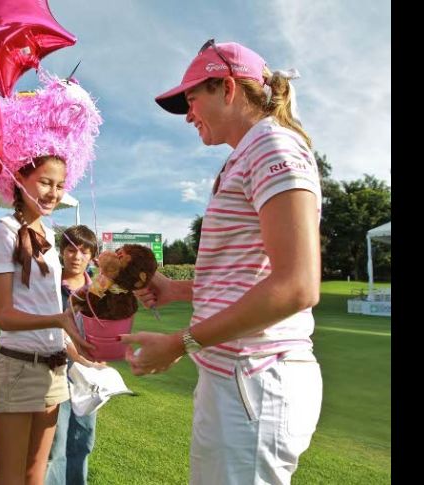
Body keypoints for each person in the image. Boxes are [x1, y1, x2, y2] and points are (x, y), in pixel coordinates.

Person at [121, 39, 323, 484]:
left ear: (228, 88)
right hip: (234, 378)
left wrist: (180, 342)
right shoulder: (247, 155)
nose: (189, 114)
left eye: (192, 99)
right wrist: (176, 290)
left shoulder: (273, 146)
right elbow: (252, 275)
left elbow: (297, 286)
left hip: (254, 377)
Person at [0, 70, 101, 485]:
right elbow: (5, 316)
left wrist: (79, 350)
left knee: (37, 471)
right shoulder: (3, 233)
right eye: (44, 182)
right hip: (17, 367)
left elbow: (52, 310)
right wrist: (59, 321)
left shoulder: (49, 233)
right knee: (11, 476)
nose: (53, 193)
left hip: (54, 370)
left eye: (60, 185)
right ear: (19, 179)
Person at [45, 225, 104, 485]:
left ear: (92, 256)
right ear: (61, 252)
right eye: (71, 249)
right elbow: (55, 331)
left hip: (89, 377)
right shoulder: (48, 288)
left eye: (84, 251)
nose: (77, 257)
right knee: (55, 443)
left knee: (83, 439)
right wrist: (78, 357)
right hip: (56, 371)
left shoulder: (102, 291)